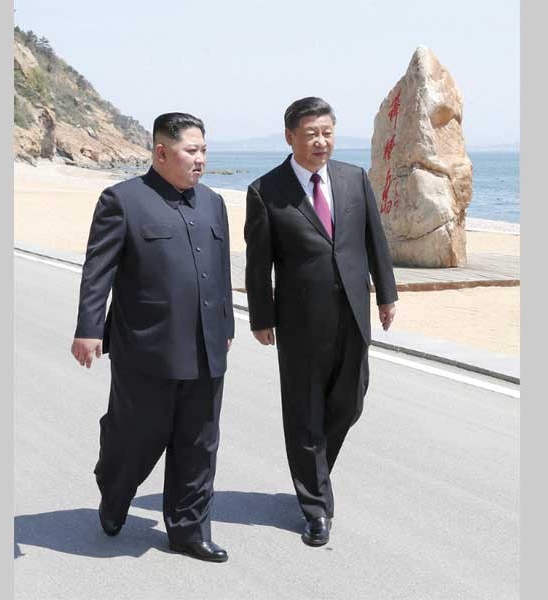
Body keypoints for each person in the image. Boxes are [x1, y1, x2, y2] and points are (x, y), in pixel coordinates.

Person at [71, 112, 234, 563]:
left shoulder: (214, 203)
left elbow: (220, 271)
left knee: (199, 442)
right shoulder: (123, 200)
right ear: (162, 152)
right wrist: (88, 329)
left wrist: (227, 326)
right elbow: (98, 270)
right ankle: (114, 489)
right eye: (191, 151)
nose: (200, 159)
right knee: (137, 435)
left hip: (205, 346)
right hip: (145, 348)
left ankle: (188, 530)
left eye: (204, 150)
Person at [244, 97, 398, 547]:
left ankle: (315, 472)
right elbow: (259, 264)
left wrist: (387, 295)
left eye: (327, 132)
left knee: (350, 402)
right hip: (298, 321)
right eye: (311, 133)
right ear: (290, 137)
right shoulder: (265, 191)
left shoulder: (354, 178)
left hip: (353, 311)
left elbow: (375, 240)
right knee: (304, 412)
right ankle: (314, 508)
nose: (320, 141)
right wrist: (260, 316)